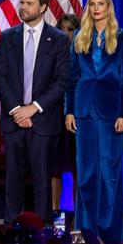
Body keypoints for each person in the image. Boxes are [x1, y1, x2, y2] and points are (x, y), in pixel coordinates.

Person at [0, 0, 71, 219]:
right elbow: (0, 76)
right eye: (22, 3)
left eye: (29, 3)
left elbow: (61, 80)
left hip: (43, 121)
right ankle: (11, 231)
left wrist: (32, 109)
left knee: (42, 180)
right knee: (13, 180)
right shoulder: (8, 37)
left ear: (43, 7)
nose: (23, 7)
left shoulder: (58, 39)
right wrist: (18, 109)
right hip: (13, 119)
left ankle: (43, 233)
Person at [65, 0, 123, 244]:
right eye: (92, 4)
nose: (96, 8)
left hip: (111, 112)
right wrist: (69, 110)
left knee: (109, 173)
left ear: (109, 7)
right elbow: (72, 77)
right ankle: (85, 232)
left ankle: (109, 234)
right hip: (83, 112)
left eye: (100, 4)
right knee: (86, 173)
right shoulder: (80, 38)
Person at [52, 13, 80, 211]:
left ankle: (78, 216)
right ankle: (55, 215)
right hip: (54, 116)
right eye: (62, 29)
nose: (66, 33)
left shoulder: (82, 53)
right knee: (54, 169)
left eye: (70, 30)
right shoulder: (50, 53)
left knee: (79, 168)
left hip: (77, 117)